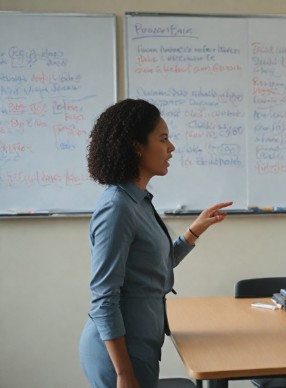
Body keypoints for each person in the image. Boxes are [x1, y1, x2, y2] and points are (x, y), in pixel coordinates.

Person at [79, 99, 232, 388]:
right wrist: (124, 373)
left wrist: (194, 230)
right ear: (137, 146)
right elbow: (103, 298)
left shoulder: (138, 200)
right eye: (163, 139)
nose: (171, 147)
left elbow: (156, 263)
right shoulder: (118, 207)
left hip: (139, 343)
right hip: (119, 356)